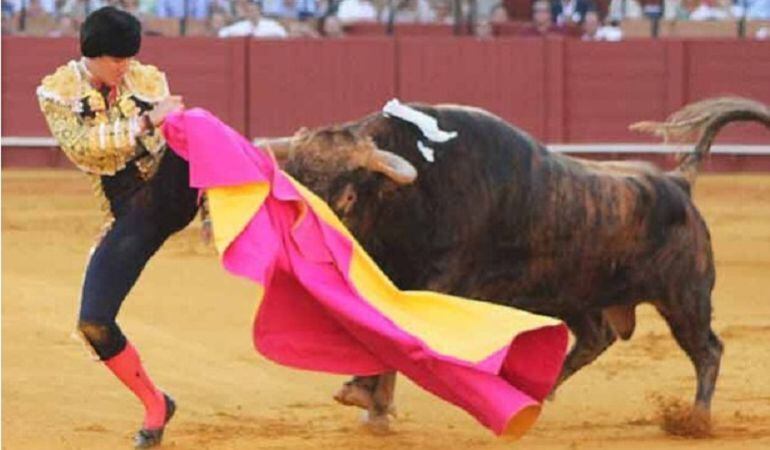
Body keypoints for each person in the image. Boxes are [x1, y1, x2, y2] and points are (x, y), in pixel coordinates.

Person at [36, 6, 203, 448]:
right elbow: (85, 150)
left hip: (172, 187)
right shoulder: (56, 92)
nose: (125, 67)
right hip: (131, 210)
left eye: (129, 57)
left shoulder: (147, 77)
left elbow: (174, 135)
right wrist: (148, 120)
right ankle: (155, 403)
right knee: (93, 322)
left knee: (200, 130)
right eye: (116, 60)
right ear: (91, 55)